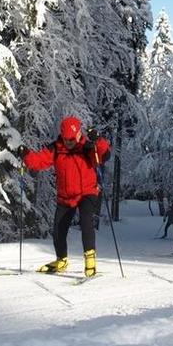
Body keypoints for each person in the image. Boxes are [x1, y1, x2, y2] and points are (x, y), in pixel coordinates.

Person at [20, 116, 110, 277]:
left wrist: (98, 140)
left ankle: (90, 260)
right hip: (66, 196)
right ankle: (61, 260)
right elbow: (39, 161)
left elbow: (104, 155)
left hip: (87, 192)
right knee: (58, 228)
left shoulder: (87, 147)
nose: (68, 142)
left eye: (71, 139)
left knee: (86, 220)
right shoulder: (56, 148)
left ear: (78, 134)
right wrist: (26, 155)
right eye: (65, 138)